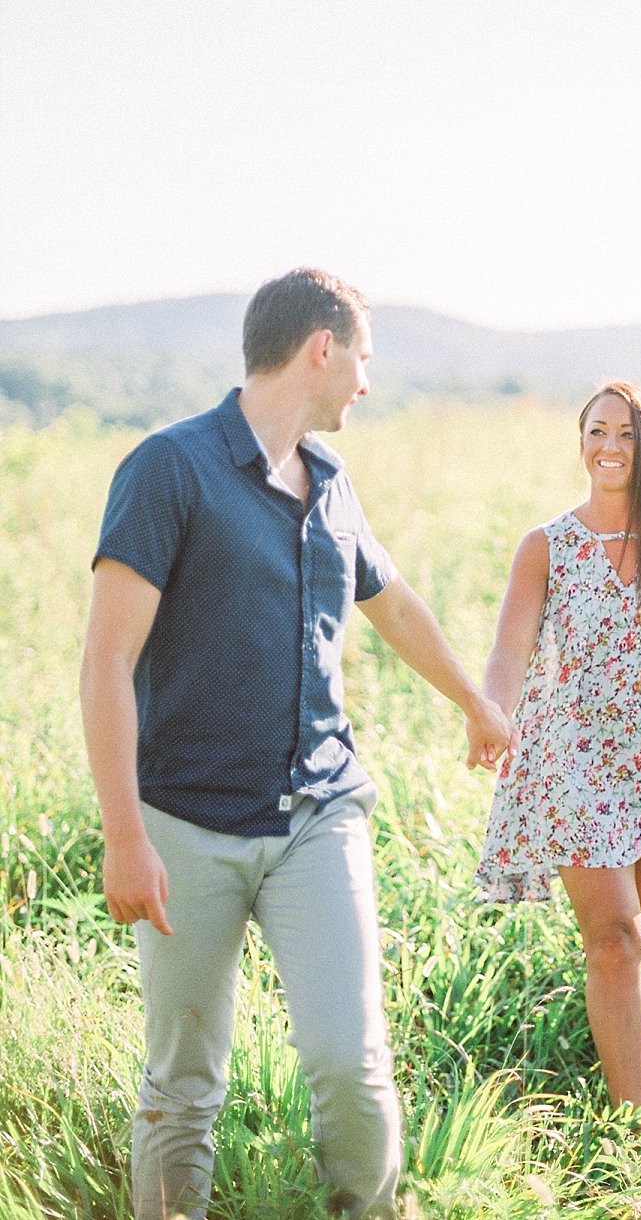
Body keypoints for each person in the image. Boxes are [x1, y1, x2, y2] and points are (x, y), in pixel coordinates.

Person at [79, 267, 514, 1220]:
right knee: (183, 1079)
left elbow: (391, 604)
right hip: (185, 824)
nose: (367, 382)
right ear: (324, 347)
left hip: (321, 814)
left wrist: (476, 705)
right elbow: (107, 660)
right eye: (364, 357)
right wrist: (125, 835)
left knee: (352, 1067)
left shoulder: (331, 481)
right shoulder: (170, 469)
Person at [474, 380, 641, 1109]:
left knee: (635, 919)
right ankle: (632, 1133)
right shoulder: (548, 547)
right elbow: (509, 648)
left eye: (626, 434)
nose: (609, 447)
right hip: (578, 760)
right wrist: (491, 712)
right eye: (597, 432)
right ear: (581, 442)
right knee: (619, 940)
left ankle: (608, 999)